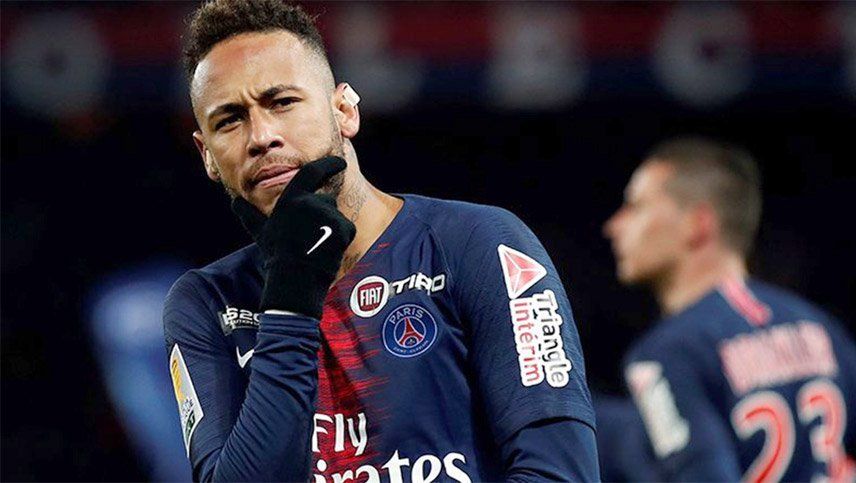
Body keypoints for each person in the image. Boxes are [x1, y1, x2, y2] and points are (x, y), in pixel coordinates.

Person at [162, 0, 599, 481]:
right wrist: (290, 297)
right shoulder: (208, 303)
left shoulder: (477, 244)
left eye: (282, 102)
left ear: (344, 110)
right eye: (229, 120)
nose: (261, 137)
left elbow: (561, 473)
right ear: (207, 155)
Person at [600, 136, 856, 481]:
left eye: (636, 206)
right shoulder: (819, 327)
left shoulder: (669, 351)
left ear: (697, 224)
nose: (614, 225)